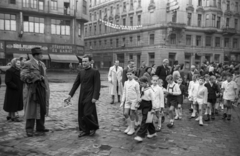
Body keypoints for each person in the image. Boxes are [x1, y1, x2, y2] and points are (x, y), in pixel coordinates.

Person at [67, 54, 101, 137]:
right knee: (81, 113)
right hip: (82, 95)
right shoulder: (81, 72)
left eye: (86, 61)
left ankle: (93, 127)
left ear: (90, 62)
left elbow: (97, 85)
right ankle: (85, 130)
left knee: (87, 113)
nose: (84, 63)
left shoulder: (95, 72)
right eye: (83, 61)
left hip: (90, 95)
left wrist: (95, 97)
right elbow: (76, 84)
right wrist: (70, 95)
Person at [21, 47, 49, 137]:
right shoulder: (28, 64)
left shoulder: (42, 64)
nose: (42, 55)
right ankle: (29, 129)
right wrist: (36, 77)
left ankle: (40, 127)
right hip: (32, 90)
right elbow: (23, 76)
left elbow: (45, 76)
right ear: (36, 55)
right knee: (31, 109)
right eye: (41, 54)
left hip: (42, 89)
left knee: (42, 108)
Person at [134, 76, 156, 142]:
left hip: (149, 105)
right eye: (140, 83)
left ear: (146, 82)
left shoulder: (150, 90)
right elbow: (142, 96)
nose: (141, 84)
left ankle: (140, 135)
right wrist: (139, 101)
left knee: (145, 120)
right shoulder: (143, 88)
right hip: (143, 104)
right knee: (149, 120)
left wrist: (153, 108)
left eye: (142, 83)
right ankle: (152, 132)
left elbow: (153, 99)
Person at [121, 69, 140, 136]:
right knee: (125, 113)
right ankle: (129, 126)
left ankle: (132, 128)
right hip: (127, 100)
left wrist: (138, 101)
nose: (129, 76)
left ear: (133, 75)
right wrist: (122, 101)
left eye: (130, 74)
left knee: (132, 114)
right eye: (127, 74)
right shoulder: (126, 83)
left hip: (134, 100)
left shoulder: (136, 83)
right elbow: (124, 92)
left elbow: (138, 93)